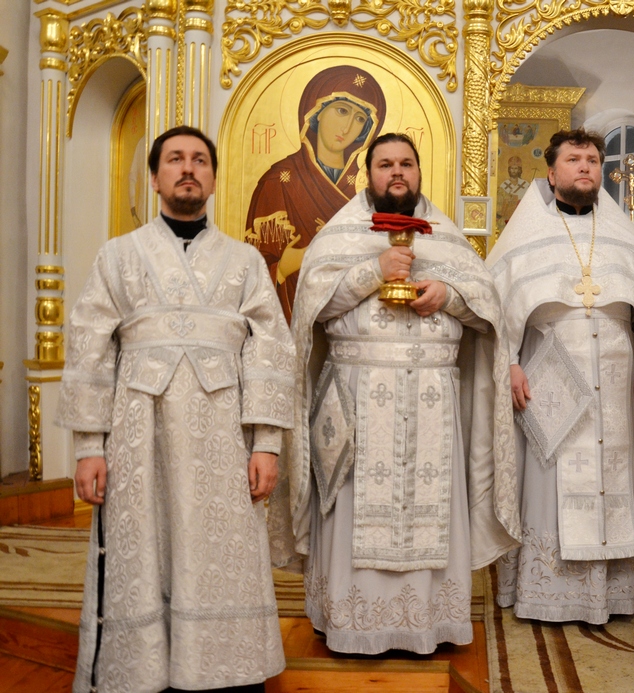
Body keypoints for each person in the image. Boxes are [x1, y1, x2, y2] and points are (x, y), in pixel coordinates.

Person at [58, 126, 296, 693]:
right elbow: (89, 348)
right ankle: (142, 673)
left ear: (212, 179)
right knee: (141, 552)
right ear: (155, 177)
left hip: (224, 439)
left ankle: (226, 675)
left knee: (223, 555)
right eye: (174, 159)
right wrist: (89, 448)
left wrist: (267, 444)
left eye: (199, 161)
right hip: (137, 436)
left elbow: (271, 350)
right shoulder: (118, 256)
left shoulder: (244, 261)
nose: (187, 169)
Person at [283, 133, 519, 654]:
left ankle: (426, 623)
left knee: (431, 503)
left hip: (433, 401)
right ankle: (352, 621)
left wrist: (449, 295)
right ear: (366, 175)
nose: (396, 172)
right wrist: (374, 271)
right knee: (352, 508)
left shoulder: (447, 239)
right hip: (355, 402)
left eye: (406, 164)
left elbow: (488, 310)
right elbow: (312, 310)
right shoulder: (339, 236)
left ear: (418, 172)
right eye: (385, 164)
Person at [486, 129, 634, 624]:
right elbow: (497, 305)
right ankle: (545, 592)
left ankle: (608, 593)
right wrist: (507, 362)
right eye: (574, 159)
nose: (585, 167)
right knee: (549, 473)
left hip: (616, 376)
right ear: (551, 174)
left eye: (593, 160)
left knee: (612, 473)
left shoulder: (623, 237)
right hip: (548, 370)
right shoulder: (524, 237)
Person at [245, 65, 387, 321]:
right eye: (342, 110)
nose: (347, 127)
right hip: (294, 317)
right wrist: (286, 265)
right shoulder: (278, 181)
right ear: (316, 111)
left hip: (357, 322)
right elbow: (253, 273)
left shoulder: (368, 188)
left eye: (359, 119)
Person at [496, 155, 529, 231]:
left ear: (519, 170)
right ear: (509, 170)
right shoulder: (503, 185)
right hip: (506, 219)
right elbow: (499, 204)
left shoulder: (525, 184)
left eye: (516, 168)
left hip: (521, 217)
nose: (514, 170)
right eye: (512, 168)